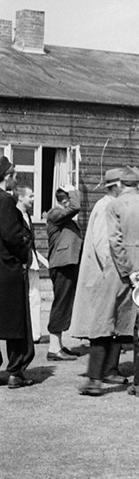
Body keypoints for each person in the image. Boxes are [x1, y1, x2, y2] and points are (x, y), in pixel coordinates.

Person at [72, 168, 132, 396]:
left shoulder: (113, 205)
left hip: (112, 273)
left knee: (115, 322)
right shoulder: (106, 205)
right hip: (105, 274)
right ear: (116, 187)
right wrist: (120, 269)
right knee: (104, 323)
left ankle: (109, 368)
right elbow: (103, 243)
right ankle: (100, 373)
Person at [106, 167, 139, 396]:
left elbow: (115, 241)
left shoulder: (115, 205)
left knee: (118, 321)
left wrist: (128, 271)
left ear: (122, 185)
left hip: (125, 273)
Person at [0, 157, 34, 388]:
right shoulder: (6, 201)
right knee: (17, 324)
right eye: (13, 174)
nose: (15, 178)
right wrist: (24, 255)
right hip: (7, 270)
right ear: (7, 176)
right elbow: (12, 236)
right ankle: (15, 371)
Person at [45, 184, 83, 361]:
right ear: (65, 201)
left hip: (68, 264)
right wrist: (73, 190)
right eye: (69, 200)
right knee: (61, 303)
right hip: (62, 265)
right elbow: (76, 207)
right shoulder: (54, 213)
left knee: (65, 303)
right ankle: (53, 348)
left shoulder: (64, 219)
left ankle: (58, 345)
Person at [16, 186, 43, 346]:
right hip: (22, 262)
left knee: (35, 297)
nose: (33, 199)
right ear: (20, 197)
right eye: (30, 196)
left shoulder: (27, 216)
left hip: (31, 262)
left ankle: (34, 333)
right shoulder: (16, 215)